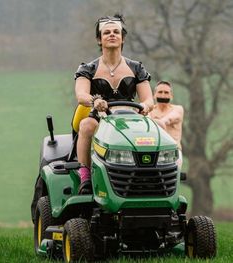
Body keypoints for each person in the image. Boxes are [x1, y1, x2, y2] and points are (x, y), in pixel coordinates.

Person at [74, 14, 154, 193]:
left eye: (116, 32)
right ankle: (85, 177)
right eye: (107, 32)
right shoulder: (88, 69)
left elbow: (149, 99)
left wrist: (146, 107)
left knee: (158, 127)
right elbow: (81, 95)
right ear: (99, 39)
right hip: (100, 117)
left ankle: (150, 176)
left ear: (123, 38)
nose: (112, 35)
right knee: (86, 125)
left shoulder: (136, 68)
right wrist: (95, 101)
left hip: (131, 119)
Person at [148, 81, 184, 166]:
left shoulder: (178, 109)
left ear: (171, 96)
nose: (163, 96)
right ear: (154, 95)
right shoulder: (149, 110)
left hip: (173, 151)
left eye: (166, 92)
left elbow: (166, 120)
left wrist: (154, 122)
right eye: (160, 92)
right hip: (153, 151)